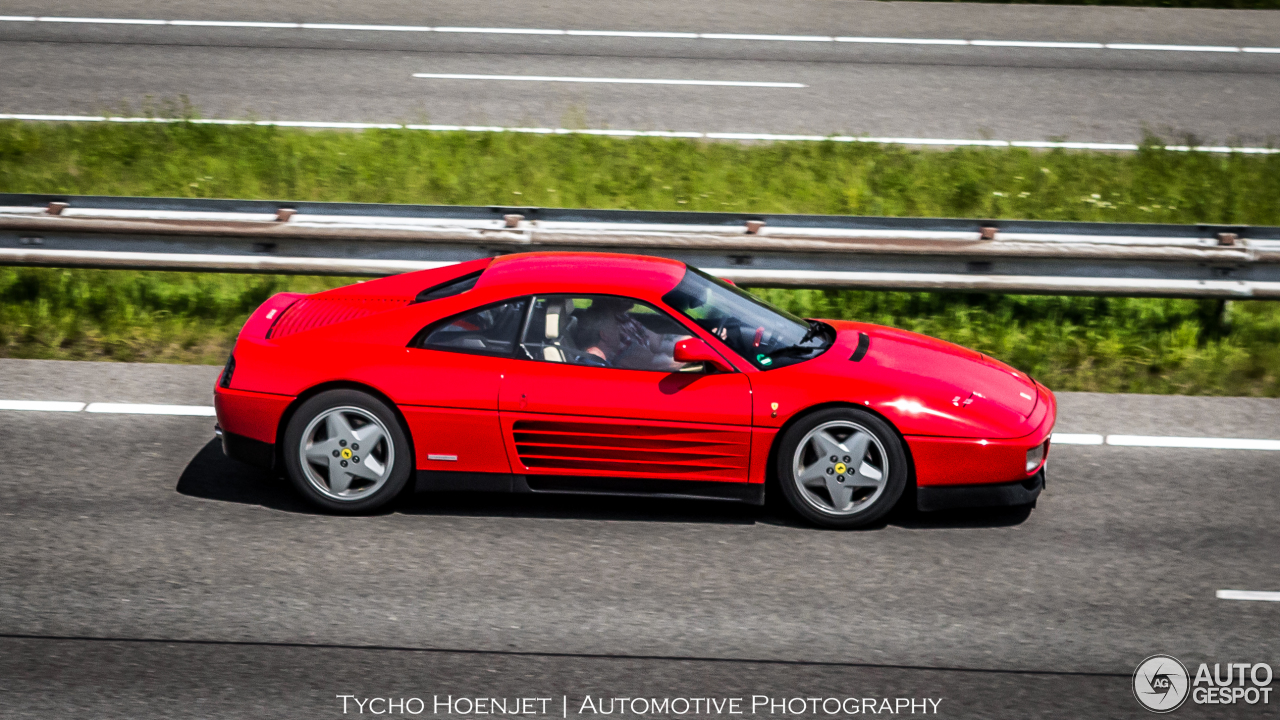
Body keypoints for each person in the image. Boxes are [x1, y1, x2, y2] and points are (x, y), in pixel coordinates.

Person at [571, 299, 688, 371]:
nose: (620, 331)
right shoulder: (594, 365)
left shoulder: (599, 360)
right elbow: (658, 363)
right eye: (615, 328)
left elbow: (658, 341)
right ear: (604, 335)